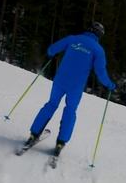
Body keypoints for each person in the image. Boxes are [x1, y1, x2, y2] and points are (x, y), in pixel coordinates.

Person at [24, 22, 116, 156]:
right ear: (99, 35)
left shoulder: (73, 39)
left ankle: (34, 134)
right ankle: (61, 142)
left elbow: (52, 49)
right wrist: (110, 85)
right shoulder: (98, 49)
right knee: (70, 110)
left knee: (51, 104)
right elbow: (100, 72)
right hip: (76, 86)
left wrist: (51, 54)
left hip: (60, 80)